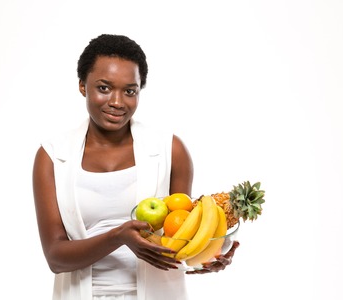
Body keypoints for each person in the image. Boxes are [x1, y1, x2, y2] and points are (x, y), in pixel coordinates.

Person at [32, 34, 239, 300]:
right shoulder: (51, 156)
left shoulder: (170, 150)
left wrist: (208, 255)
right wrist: (119, 236)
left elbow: (177, 236)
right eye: (104, 88)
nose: (117, 102)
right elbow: (55, 258)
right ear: (83, 86)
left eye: (130, 91)